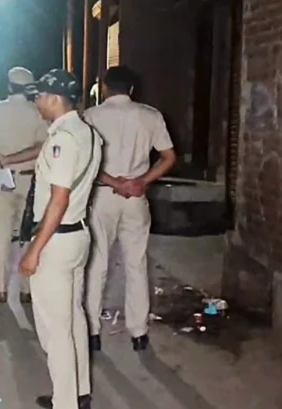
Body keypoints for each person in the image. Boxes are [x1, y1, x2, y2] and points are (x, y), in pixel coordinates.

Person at [18, 69, 102, 409]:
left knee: (56, 329)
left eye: (39, 97)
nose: (36, 103)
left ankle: (64, 402)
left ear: (54, 98)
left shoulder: (62, 140)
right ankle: (79, 392)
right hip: (77, 234)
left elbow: (59, 198)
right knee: (73, 317)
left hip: (56, 239)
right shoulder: (89, 133)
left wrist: (34, 250)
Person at [83, 65, 176, 352]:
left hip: (102, 197)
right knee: (136, 263)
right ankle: (138, 332)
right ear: (132, 89)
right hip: (136, 198)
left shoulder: (90, 116)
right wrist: (140, 182)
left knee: (97, 262)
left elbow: (85, 160)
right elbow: (168, 157)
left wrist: (115, 182)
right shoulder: (150, 115)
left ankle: (92, 330)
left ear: (105, 87)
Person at [0, 66, 48, 304]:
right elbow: (42, 146)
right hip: (30, 180)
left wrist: (0, 168)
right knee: (28, 235)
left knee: (1, 236)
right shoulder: (38, 112)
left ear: (9, 86)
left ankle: (1, 289)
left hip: (1, 180)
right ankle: (26, 289)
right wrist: (14, 159)